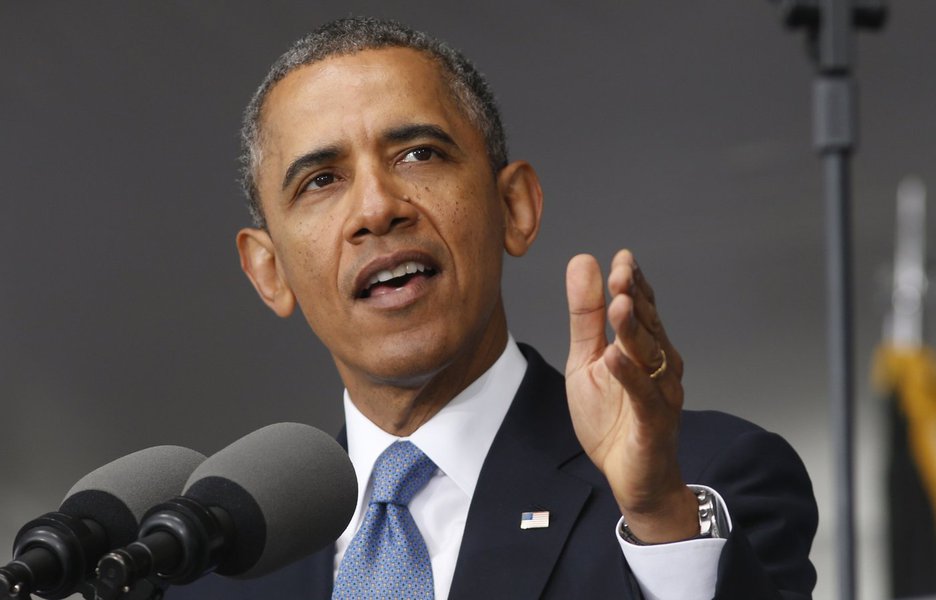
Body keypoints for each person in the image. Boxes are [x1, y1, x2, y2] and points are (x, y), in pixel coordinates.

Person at [169, 16, 817, 599]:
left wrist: (659, 520)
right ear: (269, 270)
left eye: (419, 154)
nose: (376, 208)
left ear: (515, 207)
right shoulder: (214, 566)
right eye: (321, 181)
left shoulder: (698, 482)